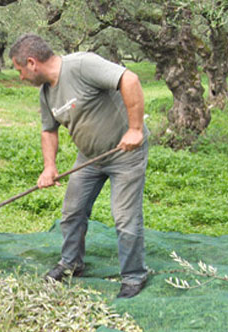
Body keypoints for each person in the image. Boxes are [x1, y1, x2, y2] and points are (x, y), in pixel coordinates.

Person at [9, 34, 149, 298]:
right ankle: (71, 264)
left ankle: (133, 276)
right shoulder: (46, 93)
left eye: (20, 71)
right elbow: (49, 131)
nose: (21, 78)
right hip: (89, 158)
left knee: (124, 217)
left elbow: (129, 80)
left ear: (31, 63)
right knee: (72, 211)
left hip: (124, 154)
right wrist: (49, 167)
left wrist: (135, 129)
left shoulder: (82, 65)